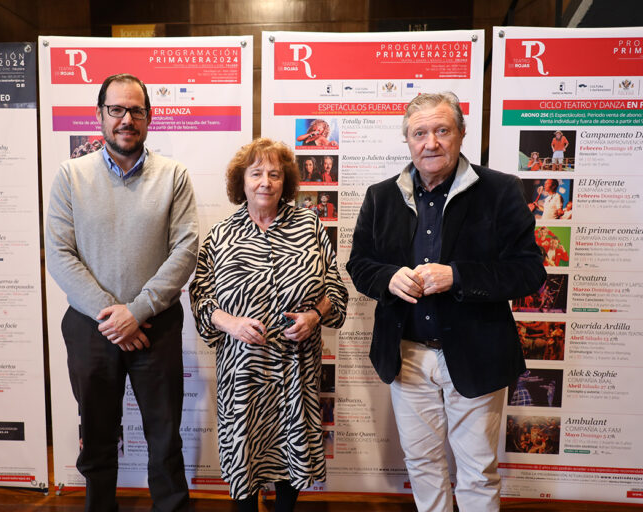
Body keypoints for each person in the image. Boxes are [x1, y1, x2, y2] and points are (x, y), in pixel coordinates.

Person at [346, 92, 546, 512]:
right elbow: (359, 264)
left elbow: (529, 271)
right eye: (420, 133)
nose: (431, 143)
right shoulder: (380, 196)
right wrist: (387, 277)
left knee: (476, 471)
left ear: (460, 134)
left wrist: (458, 276)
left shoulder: (501, 190)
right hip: (407, 356)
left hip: (476, 355)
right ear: (408, 140)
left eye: (442, 130)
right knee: (422, 465)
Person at [46, 73, 197, 512]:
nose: (126, 119)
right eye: (116, 109)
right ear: (100, 115)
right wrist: (115, 316)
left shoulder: (174, 176)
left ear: (149, 118)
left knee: (165, 435)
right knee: (96, 433)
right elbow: (59, 254)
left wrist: (139, 311)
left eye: (136, 110)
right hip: (90, 328)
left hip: (158, 325)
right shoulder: (71, 176)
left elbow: (185, 250)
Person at [189, 138, 347, 511]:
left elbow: (336, 289)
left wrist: (315, 316)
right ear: (240, 182)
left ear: (286, 182)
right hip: (242, 373)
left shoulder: (310, 226)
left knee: (291, 460)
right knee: (246, 456)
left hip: (295, 371)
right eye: (256, 173)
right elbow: (200, 299)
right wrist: (230, 324)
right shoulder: (220, 236)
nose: (265, 182)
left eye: (274, 174)